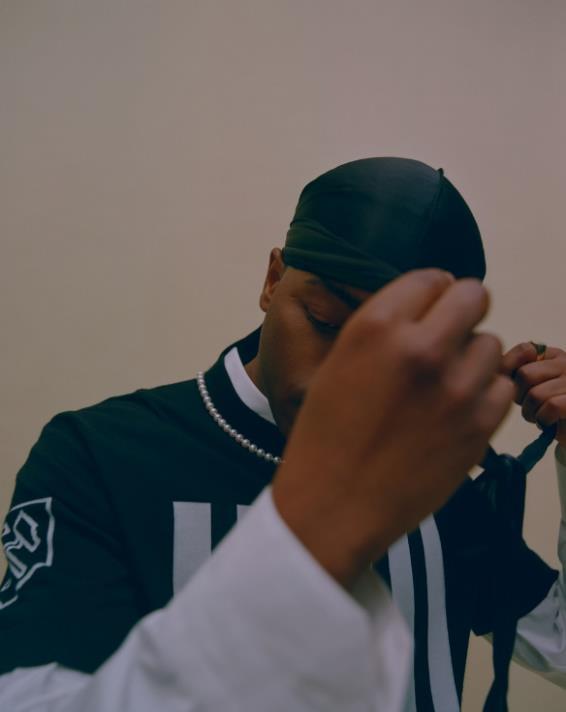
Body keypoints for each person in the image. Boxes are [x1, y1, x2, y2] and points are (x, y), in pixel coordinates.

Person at [0, 157, 564, 711]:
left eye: (393, 355)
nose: (340, 379)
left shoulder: (431, 481)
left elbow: (558, 644)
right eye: (324, 321)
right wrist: (311, 539)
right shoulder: (100, 456)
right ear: (273, 280)